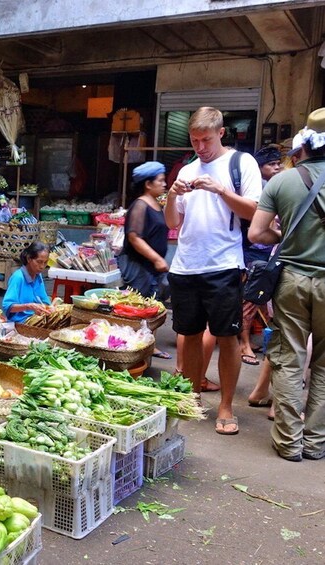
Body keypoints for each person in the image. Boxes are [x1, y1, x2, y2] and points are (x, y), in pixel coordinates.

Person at [164, 106, 262, 436]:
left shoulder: (240, 163)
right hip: (186, 265)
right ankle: (192, 396)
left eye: (206, 139)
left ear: (221, 133)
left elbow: (253, 211)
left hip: (223, 264)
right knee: (189, 334)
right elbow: (173, 222)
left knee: (227, 336)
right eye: (194, 141)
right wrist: (171, 196)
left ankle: (225, 405)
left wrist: (220, 190)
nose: (200, 147)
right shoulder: (186, 169)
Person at [248, 107, 325, 461]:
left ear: (304, 143)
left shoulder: (282, 180)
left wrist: (284, 232)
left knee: (289, 358)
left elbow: (257, 232)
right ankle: (316, 443)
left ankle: (289, 443)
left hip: (292, 280)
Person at [118, 161, 171, 359]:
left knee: (152, 305)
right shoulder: (140, 205)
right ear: (148, 184)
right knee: (140, 307)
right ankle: (135, 349)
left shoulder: (155, 204)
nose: (164, 184)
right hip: (139, 266)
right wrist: (156, 258)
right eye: (161, 181)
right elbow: (134, 237)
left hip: (151, 266)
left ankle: (149, 344)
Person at [239, 146, 281, 366]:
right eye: (271, 164)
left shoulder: (275, 186)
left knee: (258, 301)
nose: (276, 168)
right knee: (251, 300)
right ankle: (244, 344)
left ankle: (247, 341)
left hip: (266, 253)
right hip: (254, 253)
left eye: (277, 163)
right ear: (259, 168)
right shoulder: (260, 189)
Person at [2, 242, 52, 323]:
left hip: (35, 319)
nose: (42, 266)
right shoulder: (18, 277)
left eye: (45, 262)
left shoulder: (38, 276)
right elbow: (7, 306)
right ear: (29, 259)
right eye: (39, 262)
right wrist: (29, 306)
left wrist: (50, 307)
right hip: (20, 323)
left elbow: (44, 300)